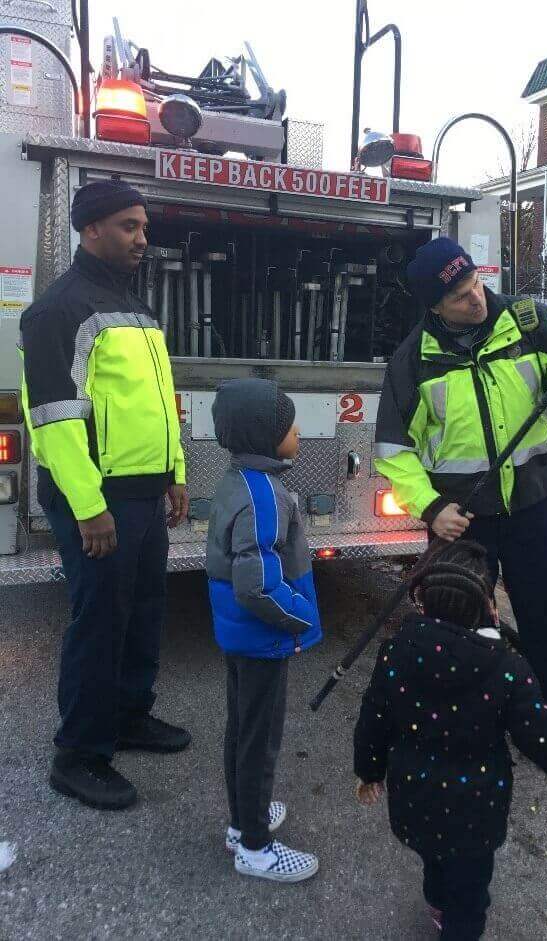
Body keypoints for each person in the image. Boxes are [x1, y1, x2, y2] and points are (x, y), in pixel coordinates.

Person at [374, 237, 547, 728]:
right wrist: (431, 506)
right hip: (462, 523)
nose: (476, 298)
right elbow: (393, 452)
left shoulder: (530, 322)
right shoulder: (411, 362)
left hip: (534, 508)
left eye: (475, 283)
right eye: (460, 295)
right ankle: (471, 727)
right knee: (460, 630)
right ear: (434, 306)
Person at [19, 179, 190, 811]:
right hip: (100, 501)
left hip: (145, 494)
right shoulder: (57, 312)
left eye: (143, 227)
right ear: (90, 230)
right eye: (128, 227)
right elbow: (56, 420)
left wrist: (174, 471)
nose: (142, 239)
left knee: (144, 610)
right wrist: (89, 507)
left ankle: (128, 716)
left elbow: (157, 406)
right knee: (100, 621)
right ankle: (80, 753)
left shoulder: (137, 309)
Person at [354, 539, 547, 939]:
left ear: (422, 600)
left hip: (414, 799)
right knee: (470, 895)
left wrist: (368, 771)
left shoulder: (396, 653)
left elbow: (374, 717)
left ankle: (437, 904)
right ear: (487, 606)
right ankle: (455, 923)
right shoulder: (506, 667)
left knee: (434, 860)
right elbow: (541, 735)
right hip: (475, 812)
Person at [206, 378, 322, 883]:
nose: (297, 430)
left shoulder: (239, 480)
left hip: (241, 636)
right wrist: (302, 617)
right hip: (261, 637)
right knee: (260, 740)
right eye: (287, 424)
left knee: (242, 731)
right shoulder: (262, 495)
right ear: (263, 437)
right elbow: (257, 587)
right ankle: (255, 846)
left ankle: (242, 821)